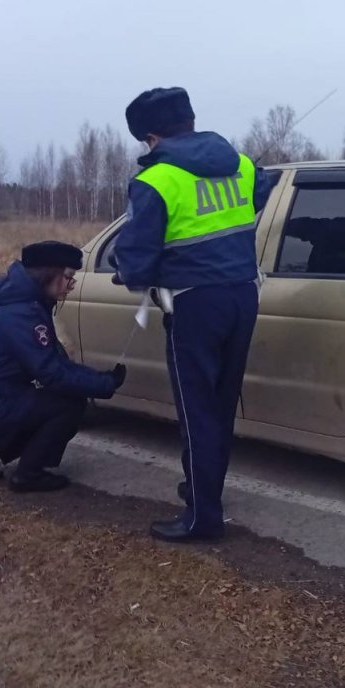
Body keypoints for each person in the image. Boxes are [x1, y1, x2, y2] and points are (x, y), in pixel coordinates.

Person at [114, 87, 274, 542]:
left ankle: (203, 517)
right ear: (190, 120)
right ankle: (205, 489)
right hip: (244, 296)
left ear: (150, 137)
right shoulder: (240, 165)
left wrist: (131, 274)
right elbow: (263, 189)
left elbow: (136, 260)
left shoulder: (157, 181)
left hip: (195, 304)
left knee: (195, 408)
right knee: (221, 405)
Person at [0, 241, 126, 492]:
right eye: (68, 277)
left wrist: (101, 379)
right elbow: (52, 373)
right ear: (48, 275)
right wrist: (103, 384)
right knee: (68, 406)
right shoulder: (24, 313)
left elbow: (56, 362)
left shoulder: (29, 305)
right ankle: (29, 475)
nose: (71, 284)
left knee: (52, 403)